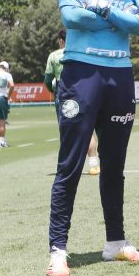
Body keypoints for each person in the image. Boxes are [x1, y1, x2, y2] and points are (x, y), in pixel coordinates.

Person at [47, 0, 139, 276]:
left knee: (114, 165)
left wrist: (105, 9)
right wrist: (123, 19)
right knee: (71, 164)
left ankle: (115, 243)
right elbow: (71, 17)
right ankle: (58, 249)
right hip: (81, 73)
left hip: (120, 75)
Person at [44, 29, 100, 175]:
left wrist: (52, 90)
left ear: (61, 41)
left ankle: (69, 167)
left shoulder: (54, 55)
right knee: (88, 130)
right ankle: (93, 165)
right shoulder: (84, 52)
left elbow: (48, 79)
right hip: (84, 94)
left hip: (63, 96)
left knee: (67, 132)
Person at [0, 61, 13, 148]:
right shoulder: (7, 74)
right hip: (1, 98)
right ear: (6, 68)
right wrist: (8, 96)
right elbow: (12, 85)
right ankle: (2, 142)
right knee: (2, 121)